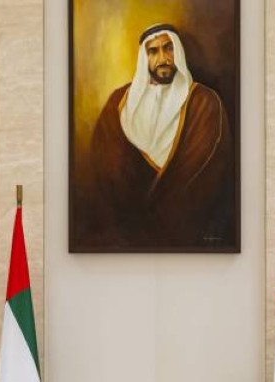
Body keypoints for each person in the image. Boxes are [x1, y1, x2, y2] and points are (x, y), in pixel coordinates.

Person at [85, 23, 234, 249]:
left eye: (169, 48)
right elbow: (104, 166)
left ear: (178, 52)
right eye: (153, 51)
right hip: (124, 238)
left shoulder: (205, 102)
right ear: (143, 58)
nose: (163, 58)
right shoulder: (118, 103)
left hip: (186, 236)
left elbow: (206, 172)